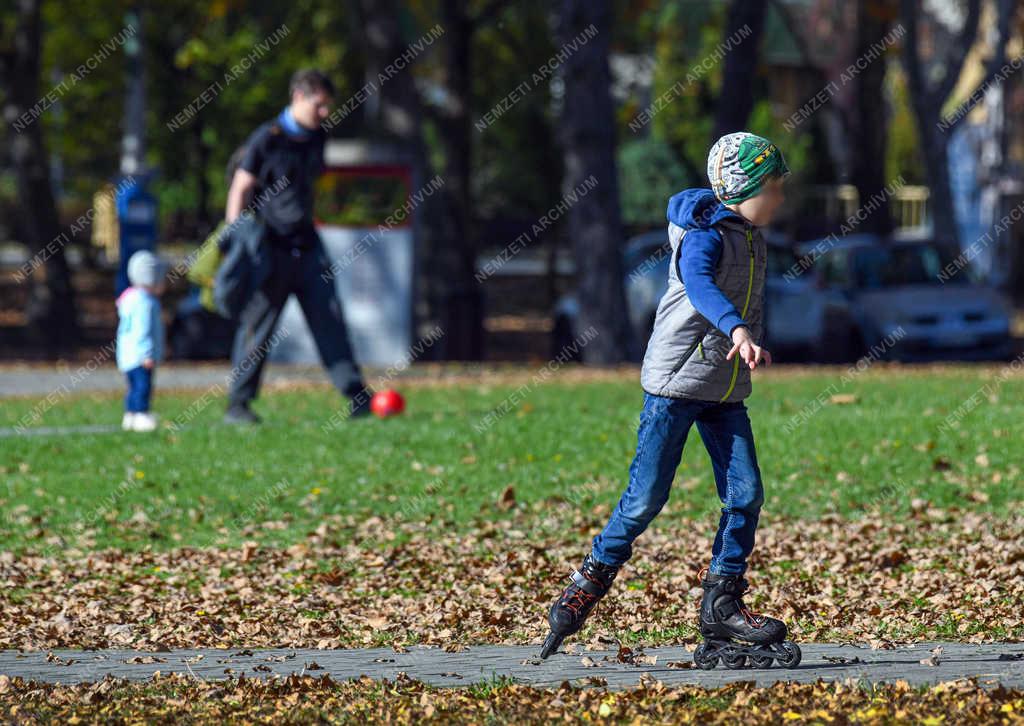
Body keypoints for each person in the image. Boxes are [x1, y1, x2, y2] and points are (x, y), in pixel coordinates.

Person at [540, 132, 801, 670]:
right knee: (644, 501)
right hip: (676, 387)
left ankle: (721, 607)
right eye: (771, 188)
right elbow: (698, 282)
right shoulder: (706, 235)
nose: (778, 198)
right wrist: (736, 330)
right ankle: (585, 585)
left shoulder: (752, 234)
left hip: (724, 390)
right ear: (742, 188)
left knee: (747, 494)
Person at [222, 68, 370, 424]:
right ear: (298, 97)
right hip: (270, 248)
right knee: (258, 326)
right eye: (319, 105)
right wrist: (235, 237)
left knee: (329, 321)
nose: (324, 114)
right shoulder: (267, 138)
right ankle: (238, 405)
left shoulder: (319, 137)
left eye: (327, 107)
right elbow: (241, 187)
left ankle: (357, 397)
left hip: (308, 246)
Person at [116, 250, 168, 432]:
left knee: (132, 386)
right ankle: (140, 414)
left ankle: (130, 414)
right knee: (142, 386)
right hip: (140, 355)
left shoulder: (129, 298)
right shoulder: (146, 303)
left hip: (127, 354)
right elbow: (142, 330)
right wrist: (146, 354)